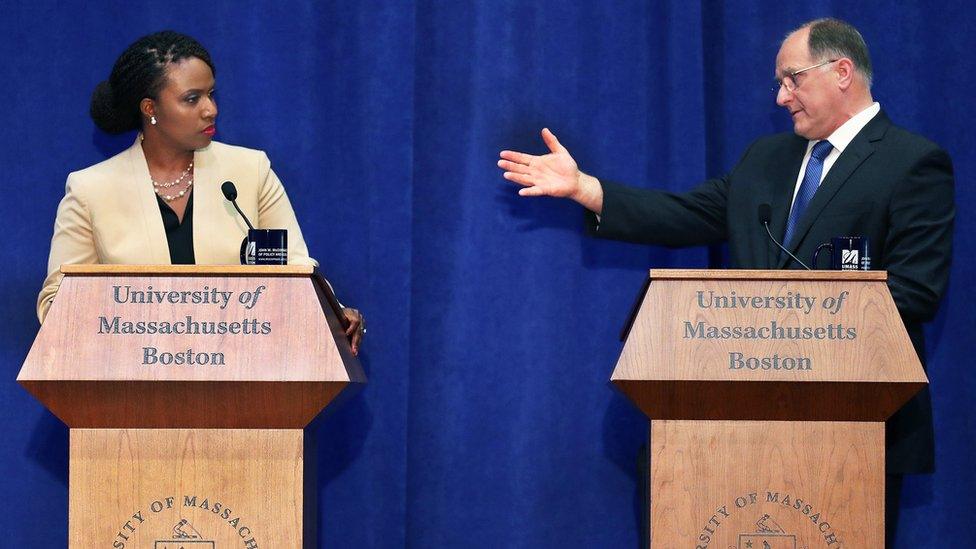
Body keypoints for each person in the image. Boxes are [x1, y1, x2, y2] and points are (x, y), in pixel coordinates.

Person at [498, 18, 953, 545]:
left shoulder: (913, 162)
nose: (781, 97)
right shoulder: (767, 159)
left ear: (842, 72)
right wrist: (587, 190)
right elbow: (687, 214)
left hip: (857, 424)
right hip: (734, 422)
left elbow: (917, 292)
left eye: (792, 79)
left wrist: (792, 320)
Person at [38, 31, 365, 354]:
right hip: (135, 383)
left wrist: (334, 313)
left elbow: (297, 269)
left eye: (211, 94)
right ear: (150, 108)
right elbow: (56, 302)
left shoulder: (250, 172)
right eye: (192, 99)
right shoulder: (91, 189)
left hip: (243, 374)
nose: (210, 109)